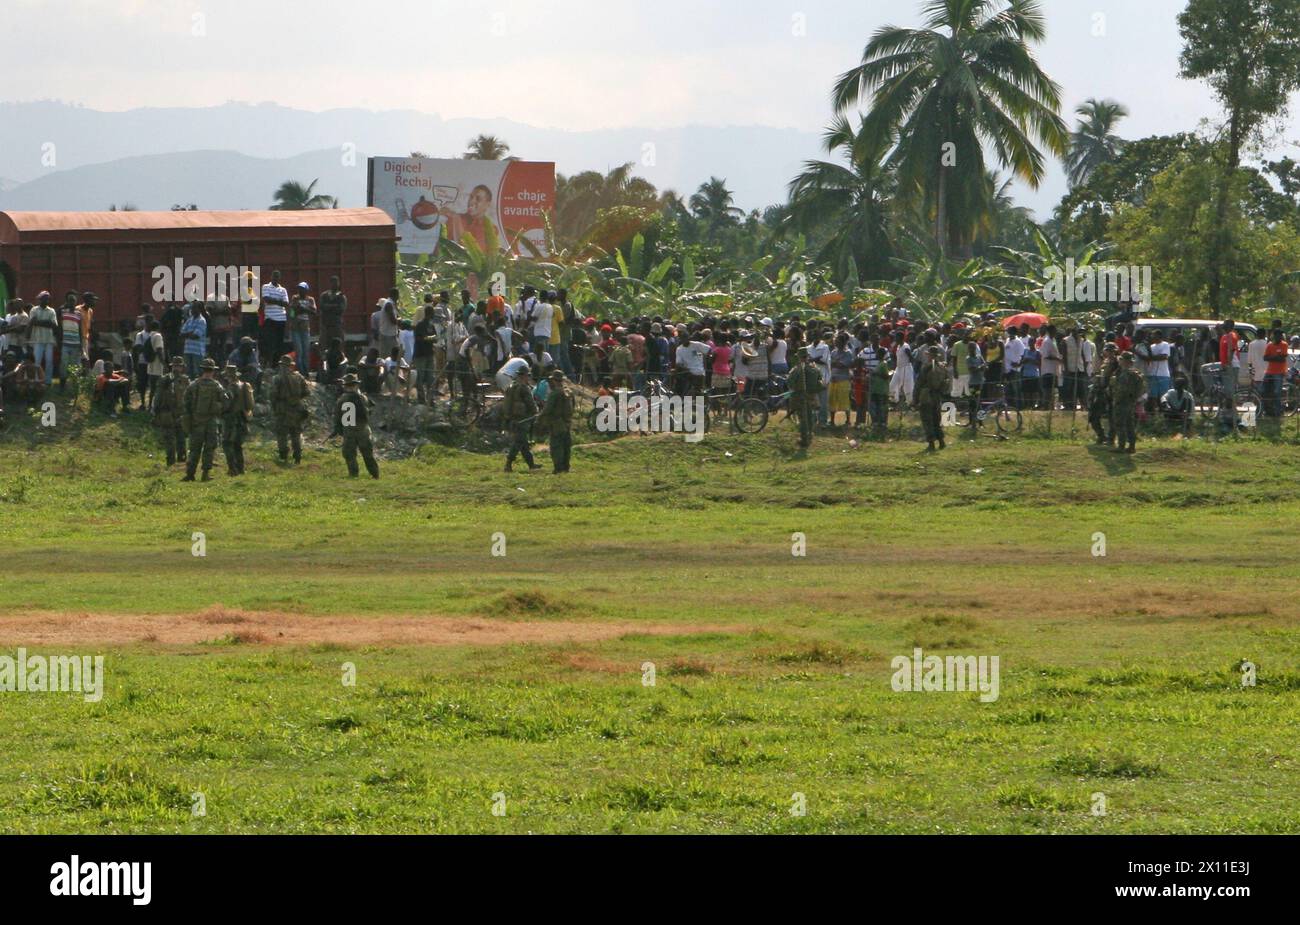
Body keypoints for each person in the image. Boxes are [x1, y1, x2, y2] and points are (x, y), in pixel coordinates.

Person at [182, 358, 229, 482]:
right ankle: (205, 474)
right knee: (209, 448)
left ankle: (190, 474)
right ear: (213, 371)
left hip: (196, 420)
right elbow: (225, 402)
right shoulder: (217, 386)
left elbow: (186, 401)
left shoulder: (194, 384)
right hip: (211, 421)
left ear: (202, 370)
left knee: (194, 448)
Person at [334, 373, 380, 479]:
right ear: (356, 385)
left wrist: (338, 428)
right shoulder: (363, 397)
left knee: (349, 453)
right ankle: (375, 473)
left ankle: (353, 473)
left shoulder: (342, 399)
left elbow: (338, 416)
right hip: (363, 428)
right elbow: (370, 408)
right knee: (368, 453)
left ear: (345, 385)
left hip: (349, 429)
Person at [271, 354, 310, 465]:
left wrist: (275, 407)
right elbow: (306, 392)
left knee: (282, 434)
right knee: (296, 433)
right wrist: (297, 398)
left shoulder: (277, 378)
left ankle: (283, 456)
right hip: (297, 408)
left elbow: (273, 395)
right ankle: (297, 456)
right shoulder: (299, 377)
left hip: (282, 408)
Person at [502, 367, 542, 473]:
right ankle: (508, 464)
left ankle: (531, 464)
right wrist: (536, 411)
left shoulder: (511, 386)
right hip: (522, 419)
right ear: (525, 376)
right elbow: (530, 403)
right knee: (518, 443)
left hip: (512, 419)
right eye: (527, 376)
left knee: (523, 444)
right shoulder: (524, 388)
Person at [536, 368, 575, 474]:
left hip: (556, 422)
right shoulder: (568, 392)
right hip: (567, 422)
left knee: (556, 446)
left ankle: (558, 468)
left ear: (554, 380)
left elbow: (547, 409)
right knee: (566, 445)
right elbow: (573, 406)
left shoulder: (554, 393)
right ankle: (566, 467)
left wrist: (539, 417)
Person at [151, 356, 189, 465]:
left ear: (182, 368)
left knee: (181, 439)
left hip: (180, 414)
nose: (177, 368)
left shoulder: (185, 380)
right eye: (175, 366)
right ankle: (171, 462)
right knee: (170, 440)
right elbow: (157, 396)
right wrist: (155, 411)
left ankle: (181, 462)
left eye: (179, 366)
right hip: (167, 413)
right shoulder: (165, 379)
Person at [220, 362, 255, 476]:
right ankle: (241, 468)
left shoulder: (231, 388)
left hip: (231, 419)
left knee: (226, 444)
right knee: (237, 445)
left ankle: (232, 469)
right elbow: (250, 405)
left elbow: (227, 405)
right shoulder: (244, 385)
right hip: (242, 419)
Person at [786, 346, 823, 449]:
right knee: (809, 415)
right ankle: (810, 434)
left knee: (802, 418)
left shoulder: (797, 369)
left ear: (799, 357)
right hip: (811, 395)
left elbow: (790, 382)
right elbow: (820, 381)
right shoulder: (814, 367)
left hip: (799, 395)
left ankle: (804, 439)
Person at [1108, 351, 1144, 454]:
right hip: (1131, 402)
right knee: (1129, 424)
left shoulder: (1124, 374)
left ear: (1123, 361)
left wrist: (1116, 400)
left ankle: (1121, 446)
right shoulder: (1136, 373)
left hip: (1122, 402)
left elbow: (1121, 390)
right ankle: (1132, 446)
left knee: (1120, 424)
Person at [916, 345, 950, 451]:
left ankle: (931, 444)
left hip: (926, 395)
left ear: (930, 355)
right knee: (936, 420)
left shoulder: (926, 367)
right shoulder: (942, 367)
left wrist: (915, 398)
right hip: (937, 396)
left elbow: (919, 383)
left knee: (927, 420)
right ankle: (941, 442)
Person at [1088, 344, 1118, 445]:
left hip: (1111, 392)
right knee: (1093, 416)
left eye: (1112, 351)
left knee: (1112, 416)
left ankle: (1111, 438)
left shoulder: (1117, 363)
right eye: (1108, 351)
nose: (1110, 353)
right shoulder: (1105, 362)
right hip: (1100, 391)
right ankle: (1101, 436)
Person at [261, 270, 290, 363]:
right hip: (270, 319)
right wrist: (279, 302)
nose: (276, 278)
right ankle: (268, 362)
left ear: (279, 278)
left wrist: (274, 300)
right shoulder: (266, 287)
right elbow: (266, 299)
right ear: (271, 277)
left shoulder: (283, 289)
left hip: (281, 319)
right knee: (269, 343)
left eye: (277, 277)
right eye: (274, 276)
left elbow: (286, 303)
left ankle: (275, 364)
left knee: (279, 344)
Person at [289, 283, 317, 375]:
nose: (300, 291)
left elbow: (314, 311)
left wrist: (302, 308)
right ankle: (301, 372)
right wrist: (301, 310)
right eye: (299, 289)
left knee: (306, 351)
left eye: (302, 289)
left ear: (306, 290)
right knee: (299, 351)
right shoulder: (295, 298)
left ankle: (306, 371)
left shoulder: (310, 299)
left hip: (305, 328)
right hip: (295, 328)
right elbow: (292, 312)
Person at [319, 277, 348, 354]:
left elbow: (341, 309)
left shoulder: (342, 296)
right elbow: (322, 307)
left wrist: (328, 307)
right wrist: (334, 306)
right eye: (333, 282)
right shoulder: (324, 295)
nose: (335, 285)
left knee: (339, 345)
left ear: (339, 284)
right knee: (324, 345)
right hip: (325, 324)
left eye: (336, 283)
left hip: (337, 325)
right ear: (330, 283)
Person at [180, 300, 208, 378]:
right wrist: (191, 333)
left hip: (197, 351)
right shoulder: (189, 320)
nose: (192, 310)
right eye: (192, 308)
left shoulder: (202, 321)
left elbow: (196, 336)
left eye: (194, 308)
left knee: (198, 373)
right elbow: (181, 334)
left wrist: (187, 334)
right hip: (187, 350)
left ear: (199, 309)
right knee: (187, 373)